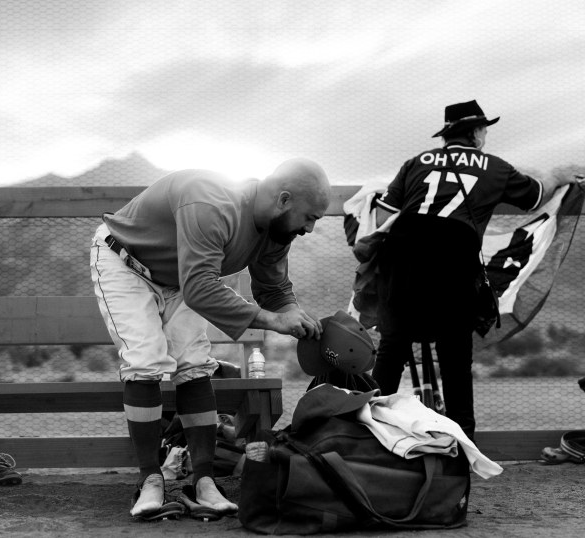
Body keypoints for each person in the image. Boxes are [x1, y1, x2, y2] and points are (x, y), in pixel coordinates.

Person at [89, 158, 331, 519]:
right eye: (309, 217)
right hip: (125, 263)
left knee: (193, 363)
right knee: (145, 359)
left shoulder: (276, 231)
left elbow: (274, 286)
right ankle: (150, 480)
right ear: (283, 200)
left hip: (180, 278)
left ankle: (204, 482)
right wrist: (271, 320)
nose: (309, 228)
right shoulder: (212, 203)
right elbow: (200, 288)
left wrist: (292, 312)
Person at [371, 100, 584, 440]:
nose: (485, 134)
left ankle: (369, 440)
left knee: (392, 347)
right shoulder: (493, 166)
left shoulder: (416, 162)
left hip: (402, 256)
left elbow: (382, 218)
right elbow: (534, 197)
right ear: (474, 133)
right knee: (454, 357)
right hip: (453, 258)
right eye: (484, 129)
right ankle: (460, 447)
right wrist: (558, 174)